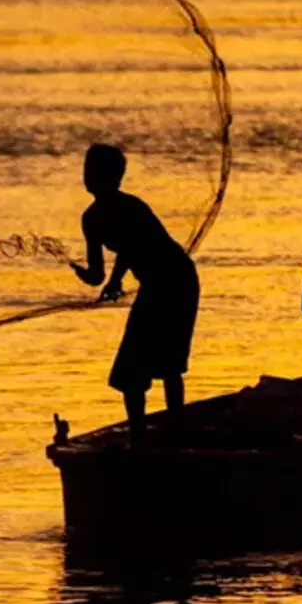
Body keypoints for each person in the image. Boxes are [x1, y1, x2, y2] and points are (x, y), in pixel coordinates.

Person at [70, 144, 200, 442]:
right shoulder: (91, 219)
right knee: (132, 370)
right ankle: (140, 435)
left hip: (177, 280)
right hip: (155, 284)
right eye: (87, 171)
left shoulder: (131, 208)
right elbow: (97, 275)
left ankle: (174, 431)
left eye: (93, 171)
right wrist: (85, 274)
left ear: (111, 177)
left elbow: (132, 245)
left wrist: (115, 280)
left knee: (167, 363)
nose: (88, 177)